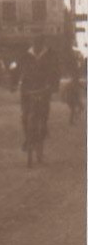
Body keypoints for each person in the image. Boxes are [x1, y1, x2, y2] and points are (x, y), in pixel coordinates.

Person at [18, 35, 60, 167]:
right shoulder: (25, 55)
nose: (36, 45)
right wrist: (14, 84)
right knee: (25, 116)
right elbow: (18, 70)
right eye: (34, 42)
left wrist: (53, 86)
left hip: (44, 89)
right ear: (32, 43)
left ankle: (41, 139)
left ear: (43, 43)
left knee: (43, 117)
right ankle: (27, 139)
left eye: (39, 42)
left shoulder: (50, 55)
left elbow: (56, 72)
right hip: (28, 90)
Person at [65, 59, 84, 126]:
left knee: (81, 107)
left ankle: (74, 117)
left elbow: (81, 86)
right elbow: (68, 90)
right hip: (72, 98)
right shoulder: (72, 83)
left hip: (74, 98)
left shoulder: (75, 82)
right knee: (75, 109)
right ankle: (72, 120)